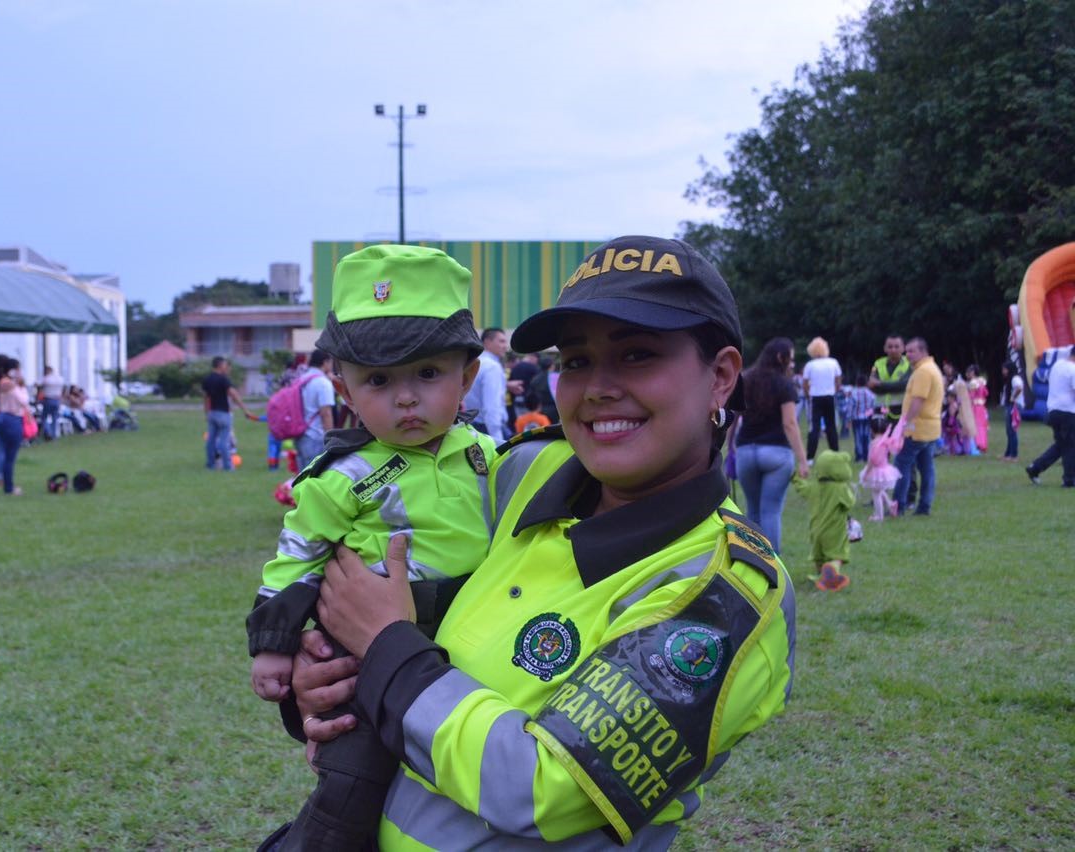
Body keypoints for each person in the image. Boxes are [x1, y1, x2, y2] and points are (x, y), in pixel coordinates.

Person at [282, 236, 794, 849]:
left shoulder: (723, 592)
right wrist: (322, 682)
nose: (598, 387)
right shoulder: (525, 472)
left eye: (637, 355)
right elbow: (374, 568)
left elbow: (540, 787)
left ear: (721, 376)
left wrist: (386, 650)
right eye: (575, 361)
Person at [248, 244, 497, 850]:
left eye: (428, 374)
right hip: (365, 650)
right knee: (354, 783)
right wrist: (274, 647)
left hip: (475, 633)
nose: (406, 398)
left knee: (463, 772)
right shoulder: (341, 475)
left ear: (466, 377)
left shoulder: (489, 456)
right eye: (380, 381)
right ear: (346, 388)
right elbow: (296, 559)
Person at [734, 337, 811, 553]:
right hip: (777, 454)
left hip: (746, 451)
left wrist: (730, 447)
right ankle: (773, 568)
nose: (792, 364)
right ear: (780, 358)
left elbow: (734, 417)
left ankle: (753, 564)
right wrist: (803, 460)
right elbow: (789, 423)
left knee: (753, 511)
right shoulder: (784, 384)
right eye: (791, 359)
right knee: (771, 512)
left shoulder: (745, 379)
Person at [892, 337, 945, 516]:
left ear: (923, 351)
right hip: (931, 428)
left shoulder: (923, 371)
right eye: (907, 351)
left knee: (902, 465)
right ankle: (924, 506)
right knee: (927, 467)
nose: (908, 354)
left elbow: (918, 400)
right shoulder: (932, 368)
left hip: (918, 428)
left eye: (912, 351)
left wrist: (905, 422)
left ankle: (898, 506)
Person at [792, 449, 856, 590]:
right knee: (836, 555)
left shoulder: (815, 487)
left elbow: (802, 488)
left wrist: (795, 477)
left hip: (816, 531)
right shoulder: (840, 488)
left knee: (819, 557)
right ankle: (831, 570)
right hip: (834, 530)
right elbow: (850, 503)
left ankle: (821, 575)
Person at [1024, 346, 1075, 487]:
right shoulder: (1073, 370)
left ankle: (1035, 468)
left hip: (1053, 410)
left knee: (1061, 446)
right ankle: (1069, 480)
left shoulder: (1057, 366)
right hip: (1068, 412)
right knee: (1071, 446)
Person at [201, 356, 255, 471]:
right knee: (224, 441)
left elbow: (206, 397)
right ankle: (227, 466)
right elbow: (233, 394)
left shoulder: (207, 379)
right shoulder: (223, 379)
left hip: (212, 413)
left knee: (211, 440)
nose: (227, 367)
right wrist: (245, 410)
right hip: (223, 413)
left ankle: (210, 465)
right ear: (220, 365)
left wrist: (206, 413)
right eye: (225, 365)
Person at [464, 327, 509, 443]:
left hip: (472, 426)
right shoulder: (492, 367)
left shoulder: (474, 363)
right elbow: (491, 407)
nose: (505, 346)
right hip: (488, 428)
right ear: (487, 342)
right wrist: (498, 441)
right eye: (501, 341)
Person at [0, 359, 28, 495]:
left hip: (2, 418)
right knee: (9, 456)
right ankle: (9, 487)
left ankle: (5, 482)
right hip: (12, 419)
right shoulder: (9, 384)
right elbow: (24, 400)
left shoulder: (4, 382)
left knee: (3, 452)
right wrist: (22, 386)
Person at [294, 350, 336, 469]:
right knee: (315, 477)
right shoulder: (323, 382)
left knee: (302, 478)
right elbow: (326, 413)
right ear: (325, 362)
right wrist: (330, 439)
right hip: (315, 435)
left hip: (300, 434)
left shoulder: (301, 379)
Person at [802, 336, 842, 458]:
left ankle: (810, 457)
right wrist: (833, 391)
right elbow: (838, 380)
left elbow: (805, 384)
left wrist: (809, 395)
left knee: (814, 427)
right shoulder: (833, 362)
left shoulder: (810, 365)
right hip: (829, 396)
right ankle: (835, 453)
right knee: (831, 426)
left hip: (815, 398)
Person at [859, 416, 904, 521]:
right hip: (885, 469)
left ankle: (879, 516)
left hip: (876, 470)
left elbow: (872, 460)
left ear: (872, 430)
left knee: (876, 494)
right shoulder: (886, 441)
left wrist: (866, 473)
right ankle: (890, 504)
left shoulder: (874, 443)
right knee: (879, 490)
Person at [868, 334, 911, 424]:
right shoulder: (878, 363)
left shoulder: (909, 363)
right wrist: (895, 386)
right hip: (880, 411)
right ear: (885, 348)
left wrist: (880, 384)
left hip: (903, 411)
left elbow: (905, 385)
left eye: (896, 346)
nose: (893, 349)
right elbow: (872, 387)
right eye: (890, 347)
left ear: (903, 348)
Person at [845, 378, 877, 462]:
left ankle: (860, 456)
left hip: (857, 418)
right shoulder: (871, 394)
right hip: (868, 418)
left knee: (858, 437)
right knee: (867, 437)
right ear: (866, 383)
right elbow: (874, 406)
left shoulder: (854, 393)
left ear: (857, 383)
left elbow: (850, 407)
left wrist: (848, 419)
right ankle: (867, 455)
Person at [999, 361, 1024, 461]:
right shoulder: (1010, 379)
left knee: (1012, 430)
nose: (1003, 371)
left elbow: (1019, 388)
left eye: (1004, 369)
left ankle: (1014, 455)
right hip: (1010, 405)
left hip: (1014, 406)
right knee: (1009, 431)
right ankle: (1008, 453)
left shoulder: (1015, 378)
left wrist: (1013, 398)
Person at [965, 364, 989, 453]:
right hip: (982, 406)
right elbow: (986, 393)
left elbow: (970, 395)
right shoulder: (982, 381)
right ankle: (983, 443)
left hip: (974, 406)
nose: (968, 374)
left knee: (975, 425)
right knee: (982, 425)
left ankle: (976, 443)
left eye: (970, 372)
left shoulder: (973, 383)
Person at [38, 366, 65, 440]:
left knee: (44, 417)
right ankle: (54, 435)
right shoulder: (59, 379)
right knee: (54, 418)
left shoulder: (46, 379)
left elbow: (40, 387)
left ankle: (48, 432)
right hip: (57, 400)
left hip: (48, 399)